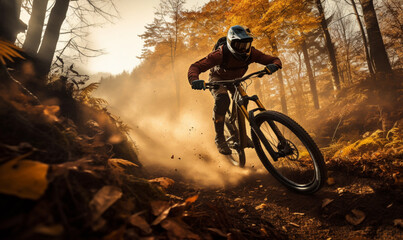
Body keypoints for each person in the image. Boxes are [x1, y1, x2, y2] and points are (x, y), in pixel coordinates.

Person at [188, 25, 282, 155]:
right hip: (218, 79)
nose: (244, 49)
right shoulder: (220, 54)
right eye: (239, 46)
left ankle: (242, 135)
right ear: (231, 44)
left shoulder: (252, 53)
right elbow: (196, 66)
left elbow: (273, 59)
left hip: (236, 80)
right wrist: (194, 80)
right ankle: (220, 138)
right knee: (222, 100)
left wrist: (274, 65)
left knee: (243, 101)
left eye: (246, 45)